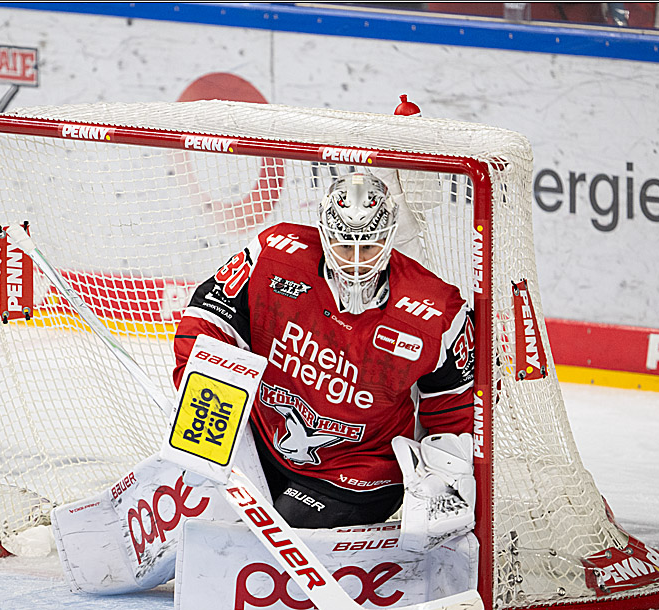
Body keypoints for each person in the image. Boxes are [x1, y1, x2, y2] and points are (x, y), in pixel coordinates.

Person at [171, 171, 476, 529]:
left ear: (389, 237)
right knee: (193, 531)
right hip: (263, 446)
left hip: (359, 475)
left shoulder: (436, 310)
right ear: (325, 232)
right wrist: (207, 393)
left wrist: (444, 478)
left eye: (370, 246)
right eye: (346, 246)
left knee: (256, 548)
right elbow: (208, 318)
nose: (357, 262)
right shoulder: (275, 254)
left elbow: (457, 408)